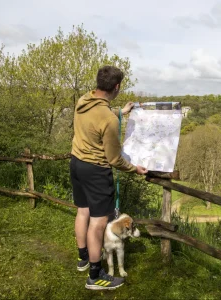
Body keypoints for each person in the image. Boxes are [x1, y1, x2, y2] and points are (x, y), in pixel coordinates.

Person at [70, 65, 148, 290]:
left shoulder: (84, 100)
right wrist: (135, 169)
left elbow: (99, 116)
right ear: (117, 87)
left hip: (76, 163)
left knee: (82, 211)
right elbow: (114, 159)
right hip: (96, 171)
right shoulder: (109, 119)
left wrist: (119, 113)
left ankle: (83, 258)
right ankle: (95, 276)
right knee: (97, 223)